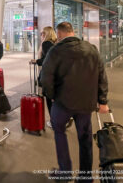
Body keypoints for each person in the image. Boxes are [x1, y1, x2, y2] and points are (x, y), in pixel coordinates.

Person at [41, 22, 109, 182]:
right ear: (73, 31)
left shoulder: (55, 50)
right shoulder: (91, 49)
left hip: (62, 103)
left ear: (59, 34)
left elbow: (45, 77)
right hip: (86, 104)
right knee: (85, 138)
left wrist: (51, 95)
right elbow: (102, 76)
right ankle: (85, 177)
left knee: (59, 131)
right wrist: (103, 101)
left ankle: (65, 173)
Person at [31, 26, 57, 128]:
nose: (41, 34)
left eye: (42, 33)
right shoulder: (54, 43)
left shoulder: (46, 44)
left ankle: (54, 121)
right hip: (55, 74)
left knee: (49, 98)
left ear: (46, 34)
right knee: (54, 98)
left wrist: (36, 61)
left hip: (48, 75)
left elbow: (47, 60)